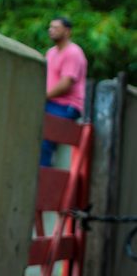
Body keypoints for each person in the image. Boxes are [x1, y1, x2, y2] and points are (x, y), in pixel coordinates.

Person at [39, 17, 88, 167]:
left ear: (67, 31)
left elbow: (66, 83)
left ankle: (42, 176)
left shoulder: (73, 53)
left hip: (66, 106)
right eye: (50, 27)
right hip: (50, 103)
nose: (51, 30)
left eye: (56, 27)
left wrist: (43, 96)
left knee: (45, 140)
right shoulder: (51, 52)